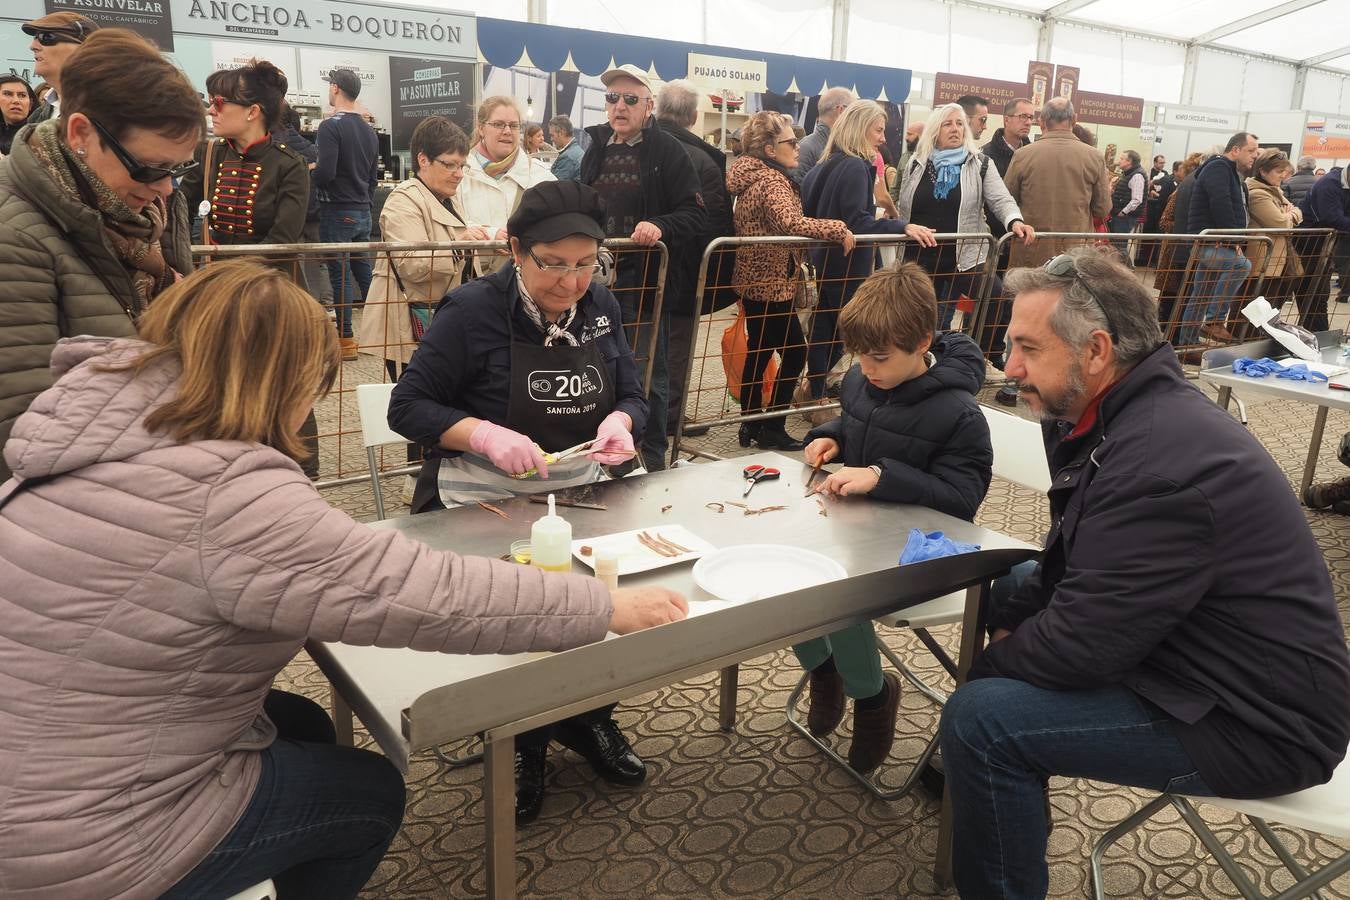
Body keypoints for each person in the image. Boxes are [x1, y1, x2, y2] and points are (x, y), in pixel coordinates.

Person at [0, 258, 687, 899]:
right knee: (369, 792)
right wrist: (598, 606)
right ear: (282, 379)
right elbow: (421, 595)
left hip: (43, 751)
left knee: (296, 718)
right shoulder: (227, 493)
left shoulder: (91, 436)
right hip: (75, 842)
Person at [938, 247, 1350, 900]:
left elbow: (1085, 644)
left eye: (1026, 348)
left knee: (980, 720)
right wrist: (1015, 622)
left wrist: (995, 665)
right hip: (1195, 649)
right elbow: (1071, 556)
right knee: (1012, 587)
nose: (1010, 368)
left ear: (1097, 350)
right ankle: (999, 797)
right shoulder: (1101, 412)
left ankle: (989, 791)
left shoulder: (1155, 462)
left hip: (1260, 722)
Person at [388, 180, 654, 824]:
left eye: (586, 264)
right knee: (521, 616)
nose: (571, 283)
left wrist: (623, 422)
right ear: (514, 250)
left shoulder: (601, 305)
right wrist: (481, 433)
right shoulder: (471, 311)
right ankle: (522, 741)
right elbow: (408, 407)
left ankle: (587, 717)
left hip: (585, 493)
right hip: (491, 502)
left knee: (608, 602)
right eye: (552, 265)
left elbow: (635, 394)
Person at [797, 263, 992, 773]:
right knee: (784, 575)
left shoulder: (959, 414)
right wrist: (834, 435)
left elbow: (961, 503)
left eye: (878, 356)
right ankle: (823, 668)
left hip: (918, 551)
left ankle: (872, 695)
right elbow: (865, 420)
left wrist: (883, 476)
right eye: (858, 354)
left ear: (922, 340)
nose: (865, 366)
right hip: (860, 532)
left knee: (839, 593)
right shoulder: (865, 379)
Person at [0, 28, 199, 484]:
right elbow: (19, 434)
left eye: (179, 168)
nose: (166, 187)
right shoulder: (14, 234)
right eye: (151, 168)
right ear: (81, 133)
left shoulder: (146, 210)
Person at [579, 64, 706, 472]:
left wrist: (660, 225)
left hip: (646, 284)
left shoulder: (667, 150)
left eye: (630, 99)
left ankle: (651, 460)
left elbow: (694, 213)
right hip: (594, 282)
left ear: (649, 106)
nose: (620, 106)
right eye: (612, 98)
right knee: (596, 369)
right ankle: (604, 454)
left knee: (648, 372)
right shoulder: (595, 147)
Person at [726, 110, 854, 451]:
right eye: (790, 142)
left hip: (755, 280)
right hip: (771, 283)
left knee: (761, 350)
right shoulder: (771, 180)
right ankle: (771, 426)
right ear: (769, 149)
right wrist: (836, 228)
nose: (797, 147)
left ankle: (752, 424)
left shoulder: (749, 177)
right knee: (796, 353)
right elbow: (789, 221)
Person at [801, 99, 937, 402]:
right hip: (847, 263)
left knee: (827, 329)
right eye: (879, 130)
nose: (883, 138)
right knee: (850, 329)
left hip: (826, 260)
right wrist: (901, 227)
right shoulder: (854, 166)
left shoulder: (824, 165)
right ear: (862, 128)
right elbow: (856, 220)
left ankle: (815, 389)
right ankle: (817, 391)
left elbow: (813, 213)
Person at [358, 116, 487, 392]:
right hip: (407, 327)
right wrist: (460, 243)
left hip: (441, 322)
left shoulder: (446, 198)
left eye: (461, 165)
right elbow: (411, 264)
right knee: (418, 405)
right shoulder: (403, 199)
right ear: (423, 160)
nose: (459, 173)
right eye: (449, 164)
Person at [894, 103, 1033, 329]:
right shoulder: (915, 163)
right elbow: (904, 204)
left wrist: (1015, 221)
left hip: (964, 256)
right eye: (947, 124)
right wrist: (903, 227)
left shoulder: (980, 163)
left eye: (959, 124)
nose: (955, 129)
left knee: (996, 298)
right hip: (919, 256)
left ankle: (979, 352)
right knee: (918, 318)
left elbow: (1001, 199)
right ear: (934, 131)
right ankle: (924, 358)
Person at [655, 79, 733, 440]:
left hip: (638, 266)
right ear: (694, 116)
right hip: (685, 268)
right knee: (677, 346)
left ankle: (638, 414)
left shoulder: (638, 145)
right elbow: (714, 221)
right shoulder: (704, 158)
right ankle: (668, 417)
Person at [180, 60, 309, 250]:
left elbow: (282, 239)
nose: (211, 110)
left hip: (265, 275)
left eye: (219, 102)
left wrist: (235, 273)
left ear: (252, 112)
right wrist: (190, 258)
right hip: (215, 272)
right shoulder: (208, 153)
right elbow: (181, 211)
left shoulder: (290, 165)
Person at [314, 67, 380, 360]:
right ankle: (382, 332)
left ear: (336, 88)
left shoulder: (330, 127)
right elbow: (373, 178)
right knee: (364, 271)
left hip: (336, 209)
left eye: (330, 85)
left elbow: (326, 172)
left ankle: (346, 339)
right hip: (363, 209)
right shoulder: (369, 130)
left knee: (339, 276)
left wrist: (311, 173)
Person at [1175, 131, 1260, 351]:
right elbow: (1221, 204)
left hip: (1213, 240)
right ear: (1235, 150)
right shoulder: (1219, 168)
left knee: (1201, 292)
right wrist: (1234, 242)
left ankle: (1187, 345)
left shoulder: (1225, 170)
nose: (1254, 156)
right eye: (1251, 151)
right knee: (1241, 265)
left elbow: (1227, 206)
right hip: (1208, 242)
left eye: (1256, 152)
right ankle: (1214, 320)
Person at [1004, 98, 1111, 268]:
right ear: (1074, 119)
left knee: (1029, 291)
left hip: (1031, 250)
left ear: (1042, 121)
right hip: (1076, 253)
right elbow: (1102, 208)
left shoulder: (1022, 155)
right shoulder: (1094, 156)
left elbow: (1007, 200)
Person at [458, 95, 555, 277]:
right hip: (473, 282)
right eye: (498, 124)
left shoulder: (540, 175)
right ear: (481, 128)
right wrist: (491, 234)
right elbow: (448, 223)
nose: (507, 131)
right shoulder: (459, 173)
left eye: (514, 125)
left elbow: (557, 220)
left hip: (527, 283)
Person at [1243, 149, 1303, 311]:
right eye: (1279, 171)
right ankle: (1249, 336)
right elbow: (1281, 224)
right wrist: (1290, 214)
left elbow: (1297, 211)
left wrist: (1290, 214)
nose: (1283, 175)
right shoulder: (1258, 194)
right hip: (1262, 262)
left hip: (1276, 260)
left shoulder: (1274, 191)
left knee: (1269, 308)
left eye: (1284, 171)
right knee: (1254, 308)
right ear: (1263, 171)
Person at [21, 11, 97, 124]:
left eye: (45, 37)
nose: (33, 46)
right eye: (35, 38)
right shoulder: (36, 118)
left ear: (82, 48)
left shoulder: (115, 105)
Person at [1298, 164, 1350, 317]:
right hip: (1307, 243)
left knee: (1318, 297)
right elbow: (1332, 218)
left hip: (1326, 245)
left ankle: (1316, 334)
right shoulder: (1329, 185)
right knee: (1310, 294)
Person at [795, 86, 854, 184]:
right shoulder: (807, 148)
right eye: (853, 112)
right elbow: (798, 193)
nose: (855, 119)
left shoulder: (809, 146)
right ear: (841, 111)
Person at [981, 97, 1035, 176]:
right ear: (1006, 120)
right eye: (1023, 116)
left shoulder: (1032, 155)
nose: (1028, 122)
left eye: (1031, 117)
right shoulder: (985, 156)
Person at [1107, 149, 1146, 234]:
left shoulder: (1137, 175)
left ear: (1129, 161)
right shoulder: (1127, 173)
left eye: (1121, 159)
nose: (1119, 161)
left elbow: (1137, 199)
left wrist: (1124, 212)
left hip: (1125, 217)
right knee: (1115, 243)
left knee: (1119, 244)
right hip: (1120, 215)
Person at [0, 75, 35, 155]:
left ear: (30, 104)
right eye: (8, 94)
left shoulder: (38, 136)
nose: (16, 101)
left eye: (22, 95)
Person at [548, 114, 583, 181]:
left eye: (552, 135)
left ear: (561, 133)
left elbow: (552, 185)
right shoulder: (577, 150)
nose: (551, 139)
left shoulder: (567, 157)